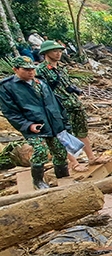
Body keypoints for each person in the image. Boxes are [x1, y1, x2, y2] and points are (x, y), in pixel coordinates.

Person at [0, 56, 70, 188]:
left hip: (52, 123)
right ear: (15, 69)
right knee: (40, 150)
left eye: (32, 69)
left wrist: (64, 122)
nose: (31, 72)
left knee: (60, 151)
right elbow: (10, 112)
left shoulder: (41, 82)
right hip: (33, 124)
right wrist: (27, 125)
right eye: (26, 70)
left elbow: (55, 103)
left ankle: (63, 178)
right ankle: (38, 181)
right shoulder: (7, 87)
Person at [37, 40, 106, 172]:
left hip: (74, 104)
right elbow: (42, 91)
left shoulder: (61, 68)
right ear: (46, 52)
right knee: (65, 136)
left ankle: (91, 157)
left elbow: (67, 85)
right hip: (59, 107)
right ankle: (74, 163)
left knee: (82, 131)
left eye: (60, 51)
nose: (58, 54)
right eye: (55, 51)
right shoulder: (41, 70)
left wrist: (75, 91)